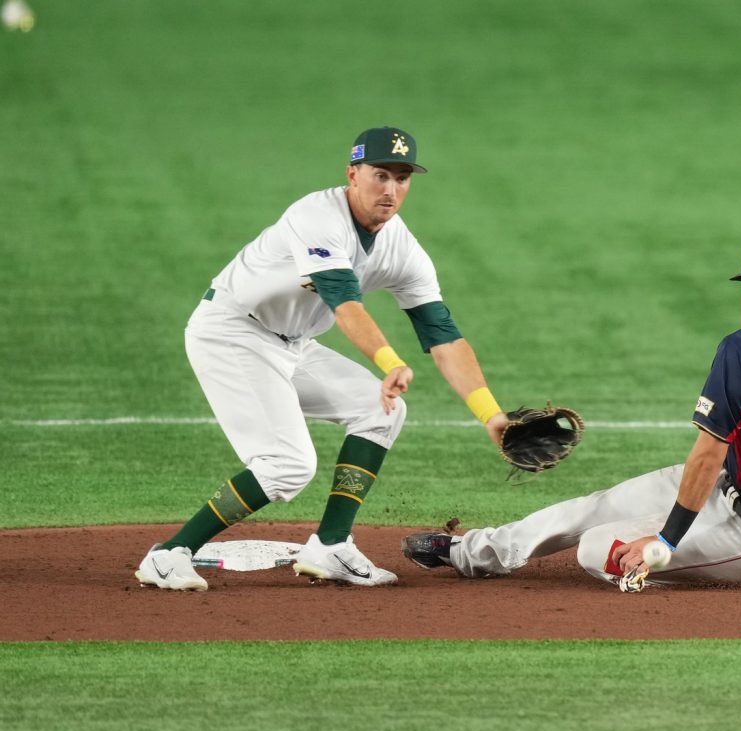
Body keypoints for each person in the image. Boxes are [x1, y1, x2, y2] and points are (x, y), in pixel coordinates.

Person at [402, 226, 741, 591]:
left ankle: (715, 566)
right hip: (733, 486)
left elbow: (704, 455)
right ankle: (470, 552)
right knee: (592, 508)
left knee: (595, 549)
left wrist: (666, 539)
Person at [136, 126, 509, 591]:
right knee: (286, 465)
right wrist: (390, 362)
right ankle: (170, 554)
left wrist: (490, 416)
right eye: (379, 175)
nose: (391, 189)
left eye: (401, 178)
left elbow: (442, 334)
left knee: (380, 411)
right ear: (352, 174)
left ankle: (331, 546)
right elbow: (343, 300)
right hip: (232, 333)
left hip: (294, 344)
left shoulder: (401, 246)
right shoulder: (316, 217)